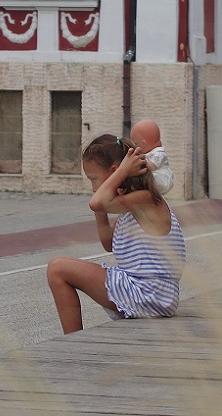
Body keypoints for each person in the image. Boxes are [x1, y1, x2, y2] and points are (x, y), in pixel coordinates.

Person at [46, 134, 186, 335]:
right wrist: (104, 203)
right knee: (58, 267)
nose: (93, 187)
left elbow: (95, 202)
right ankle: (73, 338)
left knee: (57, 268)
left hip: (150, 294)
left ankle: (73, 341)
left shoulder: (145, 198)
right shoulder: (133, 204)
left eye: (93, 179)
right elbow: (108, 243)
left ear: (115, 171)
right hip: (153, 295)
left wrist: (116, 178)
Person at [129, 119, 175, 195]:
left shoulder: (159, 153)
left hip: (162, 179)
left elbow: (152, 167)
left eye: (136, 144)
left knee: (147, 177)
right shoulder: (149, 152)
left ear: (144, 144)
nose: (135, 147)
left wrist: (142, 160)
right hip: (155, 177)